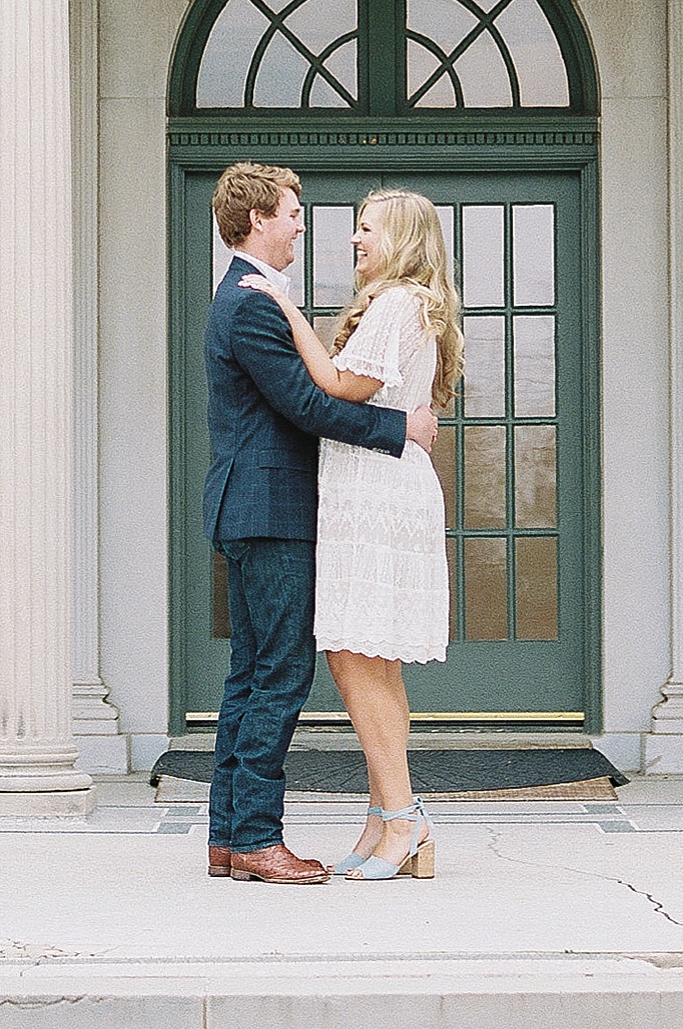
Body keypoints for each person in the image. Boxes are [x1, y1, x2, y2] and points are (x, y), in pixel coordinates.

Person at [203, 161, 439, 886]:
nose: (305, 225)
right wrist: (402, 429)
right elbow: (309, 406)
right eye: (293, 212)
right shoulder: (252, 303)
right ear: (258, 221)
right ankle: (254, 838)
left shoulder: (256, 297)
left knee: (252, 673)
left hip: (256, 506)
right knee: (276, 673)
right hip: (269, 510)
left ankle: (230, 835)